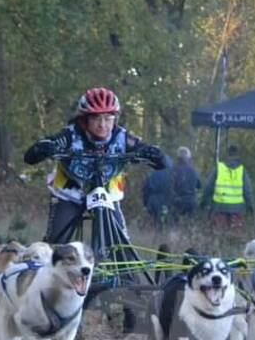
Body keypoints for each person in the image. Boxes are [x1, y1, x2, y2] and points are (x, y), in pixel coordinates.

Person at [24, 86, 165, 254]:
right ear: (84, 120)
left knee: (122, 246)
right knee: (57, 246)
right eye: (96, 118)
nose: (102, 125)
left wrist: (153, 154)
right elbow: (33, 155)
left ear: (115, 119)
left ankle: (128, 276)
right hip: (71, 193)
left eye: (108, 118)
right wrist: (45, 148)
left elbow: (159, 160)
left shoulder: (122, 137)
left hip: (107, 194)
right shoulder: (71, 135)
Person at [202, 144, 253, 230]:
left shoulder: (219, 168)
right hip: (237, 210)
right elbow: (247, 191)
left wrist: (204, 202)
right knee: (235, 236)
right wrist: (250, 207)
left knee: (218, 234)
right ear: (237, 155)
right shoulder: (242, 170)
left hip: (219, 207)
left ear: (227, 154)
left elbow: (208, 187)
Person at [167, 146, 200, 222]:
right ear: (188, 158)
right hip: (190, 201)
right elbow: (199, 185)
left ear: (178, 157)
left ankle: (174, 233)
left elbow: (169, 186)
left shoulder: (173, 170)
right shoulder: (193, 171)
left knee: (174, 224)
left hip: (177, 200)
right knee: (190, 224)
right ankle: (190, 232)